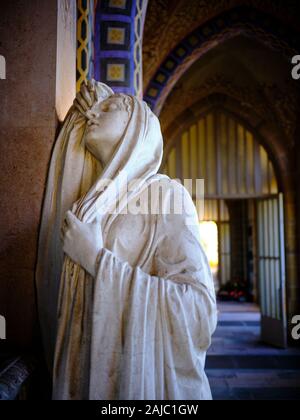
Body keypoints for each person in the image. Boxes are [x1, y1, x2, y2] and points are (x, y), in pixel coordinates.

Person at [36, 80, 217, 400]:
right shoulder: (89, 205)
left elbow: (198, 311)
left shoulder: (164, 194)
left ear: (137, 127)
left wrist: (95, 259)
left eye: (110, 108)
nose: (94, 114)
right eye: (95, 110)